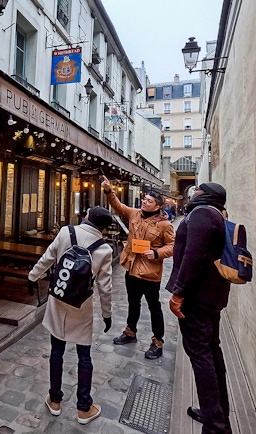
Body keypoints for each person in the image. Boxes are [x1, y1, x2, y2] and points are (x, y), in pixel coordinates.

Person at [28, 206, 114, 425]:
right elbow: (105, 287)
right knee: (84, 356)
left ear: (87, 217)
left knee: (56, 351)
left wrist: (33, 276)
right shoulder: (104, 249)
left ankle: (55, 399)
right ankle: (84, 407)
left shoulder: (66, 232)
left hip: (58, 298)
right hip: (81, 304)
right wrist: (107, 314)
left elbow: (48, 258)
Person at [166, 183, 233, 434]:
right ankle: (216, 413)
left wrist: (179, 292)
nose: (192, 192)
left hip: (197, 298)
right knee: (211, 353)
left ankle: (215, 426)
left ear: (205, 195)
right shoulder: (214, 213)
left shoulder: (202, 213)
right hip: (209, 296)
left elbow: (193, 255)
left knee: (201, 356)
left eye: (197, 189)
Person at [101, 176, 175, 359]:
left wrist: (157, 253)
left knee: (154, 307)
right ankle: (130, 332)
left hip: (150, 273)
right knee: (133, 303)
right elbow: (118, 206)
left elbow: (173, 246)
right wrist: (109, 190)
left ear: (157, 206)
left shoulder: (165, 225)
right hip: (132, 268)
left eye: (149, 201)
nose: (144, 202)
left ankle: (158, 341)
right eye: (144, 199)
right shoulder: (135, 214)